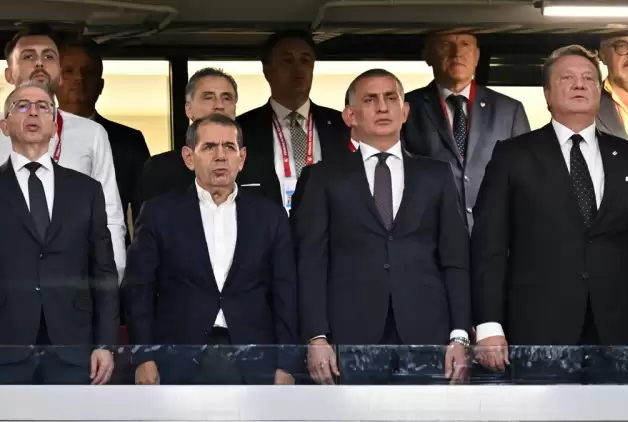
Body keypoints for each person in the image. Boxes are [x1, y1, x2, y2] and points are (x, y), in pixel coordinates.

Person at [471, 45, 628, 384]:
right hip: (537, 329)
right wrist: (489, 325)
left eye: (588, 78)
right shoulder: (512, 156)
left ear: (599, 90)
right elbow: (489, 246)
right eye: (567, 78)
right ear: (547, 94)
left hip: (623, 331)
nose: (580, 84)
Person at [295, 69, 470, 385]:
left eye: (391, 98)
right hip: (349, 335)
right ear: (350, 115)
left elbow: (455, 259)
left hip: (427, 333)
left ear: (405, 111)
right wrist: (316, 336)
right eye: (370, 100)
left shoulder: (437, 175)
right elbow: (311, 263)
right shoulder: (322, 177)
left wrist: (460, 335)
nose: (382, 107)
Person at [124, 113, 297, 385]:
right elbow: (139, 290)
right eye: (209, 147)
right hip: (177, 359)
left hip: (255, 360)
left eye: (229, 147)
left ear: (242, 158)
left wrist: (287, 363)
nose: (220, 156)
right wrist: (143, 357)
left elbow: (285, 292)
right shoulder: (159, 213)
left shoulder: (270, 217)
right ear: (188, 157)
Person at [0, 81, 118, 384]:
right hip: (7, 343)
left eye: (43, 107)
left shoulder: (86, 190)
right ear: (4, 125)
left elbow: (103, 270)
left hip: (74, 343)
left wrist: (105, 344)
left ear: (54, 126)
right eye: (22, 106)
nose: (33, 113)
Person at [1, 24, 127, 281]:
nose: (40, 63)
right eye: (28, 56)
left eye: (49, 56)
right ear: (9, 74)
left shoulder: (91, 133)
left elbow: (110, 217)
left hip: (73, 282)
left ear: (59, 73)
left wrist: (112, 281)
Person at [402, 33, 530, 230]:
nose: (457, 53)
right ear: (427, 55)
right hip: (429, 232)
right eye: (446, 44)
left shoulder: (509, 109)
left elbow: (526, 178)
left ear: (477, 56)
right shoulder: (406, 108)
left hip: (494, 232)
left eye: (465, 44)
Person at [133, 67, 281, 223]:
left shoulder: (259, 164)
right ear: (188, 109)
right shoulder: (159, 169)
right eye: (208, 97)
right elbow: (149, 227)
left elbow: (274, 223)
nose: (219, 105)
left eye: (227, 98)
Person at [236, 31, 350, 214]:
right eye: (287, 61)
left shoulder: (342, 125)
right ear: (267, 71)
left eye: (305, 60)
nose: (298, 68)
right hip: (267, 226)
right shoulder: (242, 129)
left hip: (330, 226)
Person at [56, 35, 150, 244]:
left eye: (88, 72)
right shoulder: (31, 137)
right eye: (68, 71)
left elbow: (144, 215)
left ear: (100, 85)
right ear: (53, 82)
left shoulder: (129, 141)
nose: (78, 78)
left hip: (112, 255)